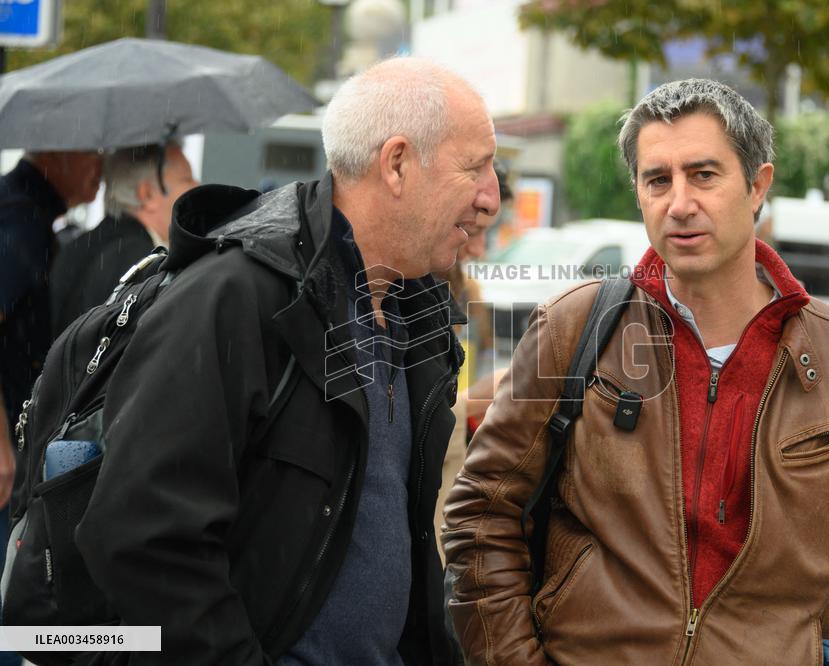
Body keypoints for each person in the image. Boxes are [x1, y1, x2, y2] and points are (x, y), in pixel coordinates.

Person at [442, 79, 829, 665]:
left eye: (704, 175)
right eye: (658, 180)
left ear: (757, 186)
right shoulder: (571, 330)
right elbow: (480, 518)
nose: (679, 203)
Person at [73, 57, 499, 664]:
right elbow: (142, 538)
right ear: (398, 163)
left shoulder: (419, 307)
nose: (492, 199)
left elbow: (393, 533)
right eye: (476, 168)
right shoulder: (237, 297)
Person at [0, 151, 101, 663]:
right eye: (92, 154)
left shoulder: (29, 216)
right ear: (57, 155)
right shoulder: (20, 222)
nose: (99, 167)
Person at [434, 165, 512, 556]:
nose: (480, 250)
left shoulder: (470, 293)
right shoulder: (400, 293)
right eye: (474, 231)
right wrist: (475, 401)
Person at [49, 142, 199, 334]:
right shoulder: (141, 260)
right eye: (187, 180)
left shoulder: (80, 244)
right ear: (148, 194)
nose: (197, 186)